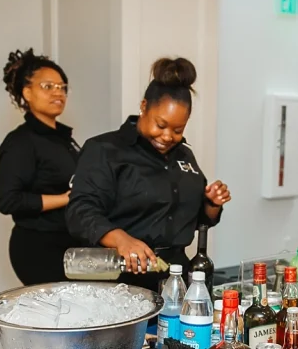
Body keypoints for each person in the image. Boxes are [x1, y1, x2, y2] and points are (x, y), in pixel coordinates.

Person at [66, 57, 232, 291]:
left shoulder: (184, 155)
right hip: (120, 278)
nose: (167, 136)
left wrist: (212, 203)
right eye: (161, 125)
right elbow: (80, 212)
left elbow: (197, 220)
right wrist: (121, 239)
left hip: (174, 277)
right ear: (144, 106)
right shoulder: (105, 150)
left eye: (178, 130)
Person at [0, 48, 82, 285]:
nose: (58, 92)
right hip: (39, 248)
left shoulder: (63, 139)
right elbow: (8, 200)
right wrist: (66, 198)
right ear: (27, 93)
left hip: (69, 243)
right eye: (48, 86)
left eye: (63, 87)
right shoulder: (21, 141)